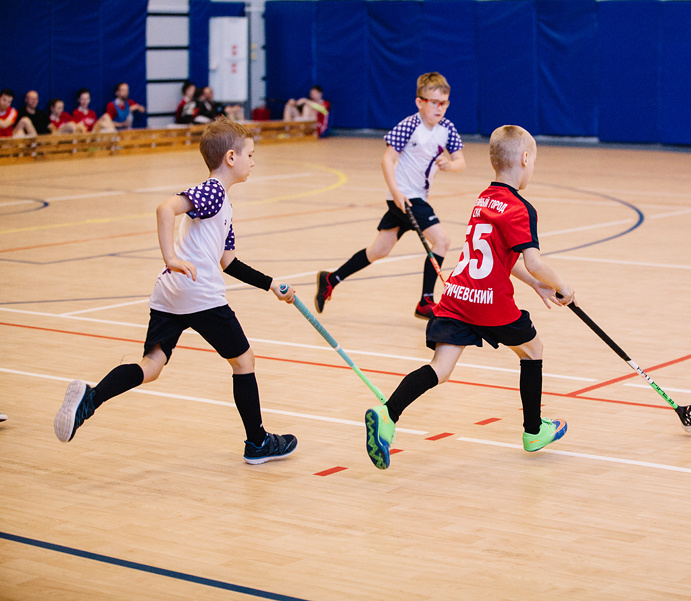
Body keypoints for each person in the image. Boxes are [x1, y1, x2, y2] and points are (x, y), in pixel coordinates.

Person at [54, 118, 299, 465]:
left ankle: (91, 398)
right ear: (231, 157)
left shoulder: (224, 204)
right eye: (250, 154)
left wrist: (271, 284)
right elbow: (165, 208)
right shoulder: (213, 191)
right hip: (199, 293)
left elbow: (228, 262)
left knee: (152, 365)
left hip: (169, 293)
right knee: (244, 361)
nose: (253, 161)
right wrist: (170, 256)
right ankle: (258, 442)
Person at [364, 125, 575, 470]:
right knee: (533, 350)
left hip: (457, 296)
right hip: (489, 302)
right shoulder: (521, 208)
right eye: (533, 161)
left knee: (440, 369)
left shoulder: (484, 199)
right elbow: (534, 261)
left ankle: (387, 415)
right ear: (525, 159)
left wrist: (534, 285)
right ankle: (534, 431)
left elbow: (494, 256)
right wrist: (563, 286)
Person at [315, 72, 465, 320]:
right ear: (420, 102)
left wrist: (450, 164)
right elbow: (387, 159)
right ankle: (426, 301)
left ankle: (331, 278)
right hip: (405, 197)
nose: (440, 108)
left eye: (445, 103)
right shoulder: (409, 126)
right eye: (434, 102)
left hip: (417, 198)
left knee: (379, 250)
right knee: (442, 240)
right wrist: (396, 192)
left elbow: (461, 162)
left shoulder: (447, 128)